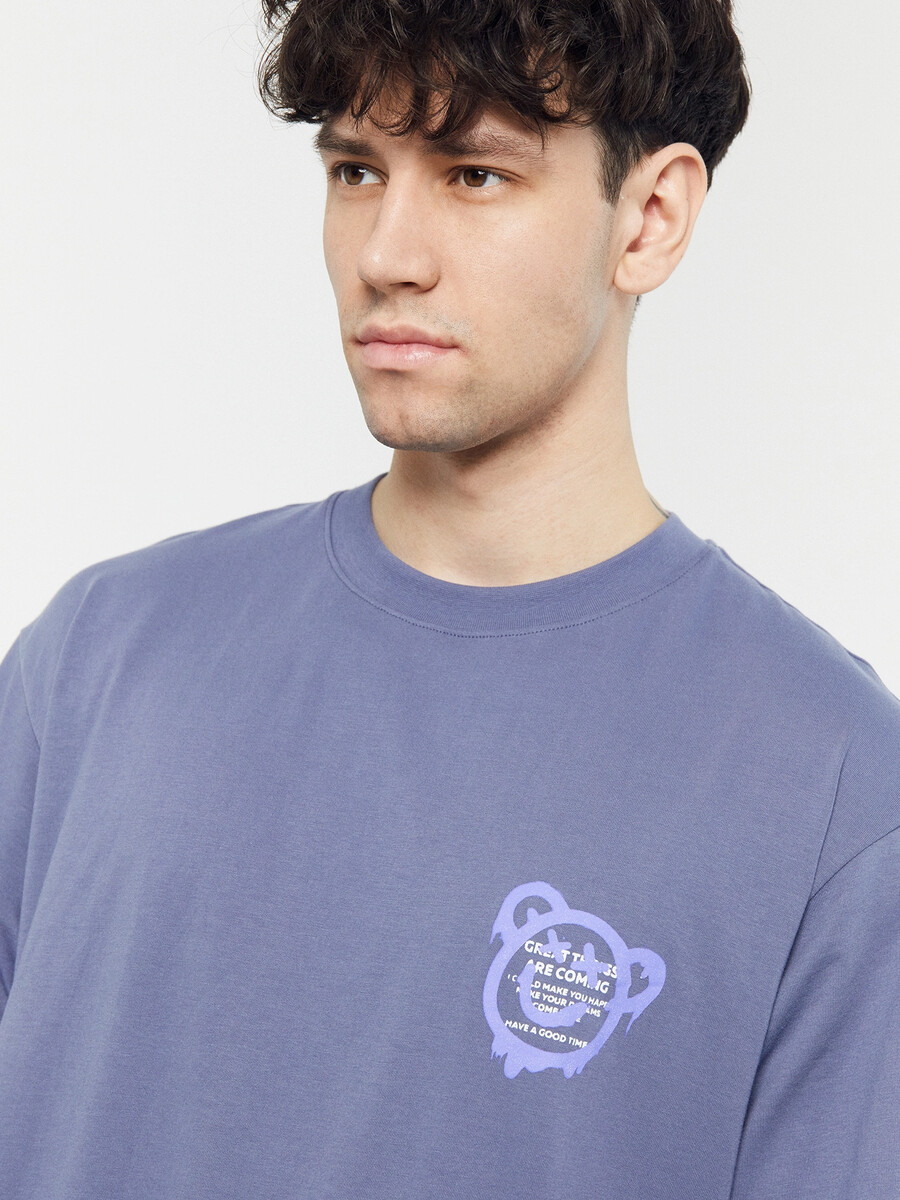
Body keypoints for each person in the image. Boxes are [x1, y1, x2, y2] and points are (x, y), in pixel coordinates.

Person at [0, 0, 896, 1196]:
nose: (386, 255)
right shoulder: (97, 663)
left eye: (475, 175)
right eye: (356, 170)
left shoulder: (829, 783)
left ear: (650, 219)